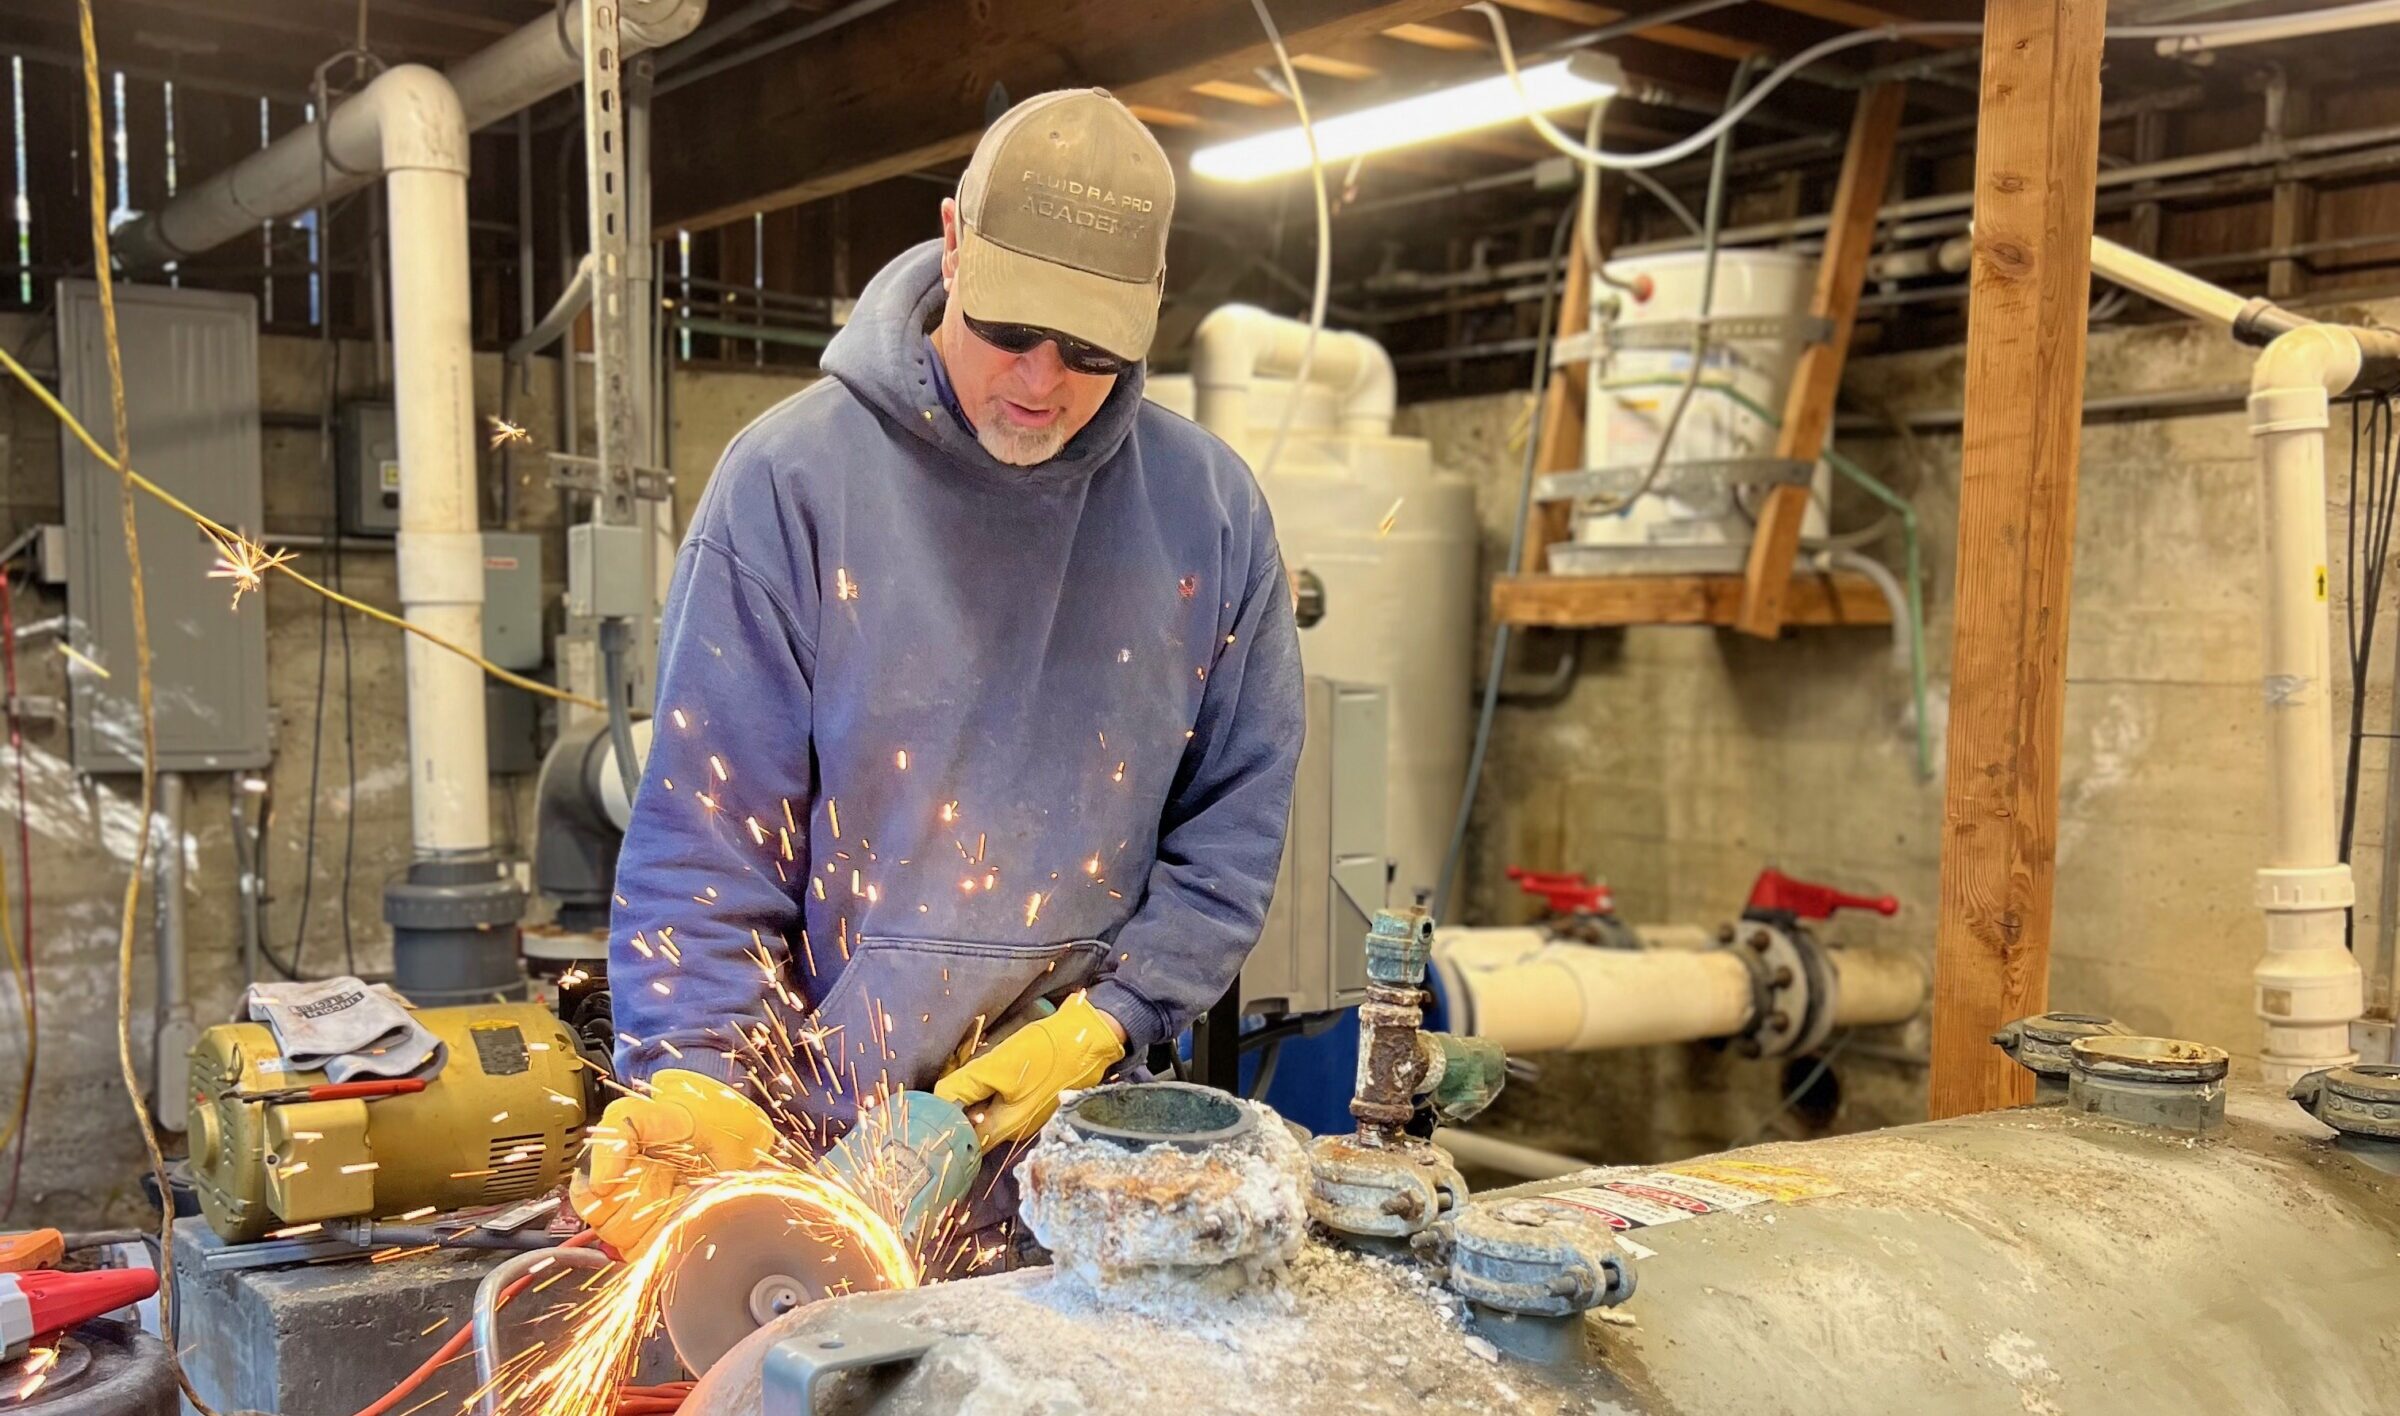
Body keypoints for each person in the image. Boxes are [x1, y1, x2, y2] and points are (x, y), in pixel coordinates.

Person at [571, 89, 1305, 1265]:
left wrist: (1111, 1023)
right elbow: (706, 854)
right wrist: (702, 1089)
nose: (1041, 383)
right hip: (826, 1151)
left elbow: (1232, 829)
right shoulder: (790, 485)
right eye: (1011, 332)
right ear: (953, 243)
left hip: (1093, 1159)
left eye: (1091, 355)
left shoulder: (1210, 515)